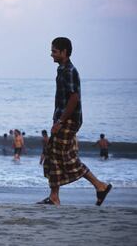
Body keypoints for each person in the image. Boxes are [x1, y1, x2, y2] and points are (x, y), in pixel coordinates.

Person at [39, 37, 112, 206]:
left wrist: (60, 122)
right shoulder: (62, 69)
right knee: (54, 155)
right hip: (63, 119)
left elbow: (74, 99)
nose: (51, 55)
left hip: (69, 120)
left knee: (63, 157)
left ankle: (99, 186)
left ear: (64, 52)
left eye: (54, 51)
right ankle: (55, 196)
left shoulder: (70, 71)